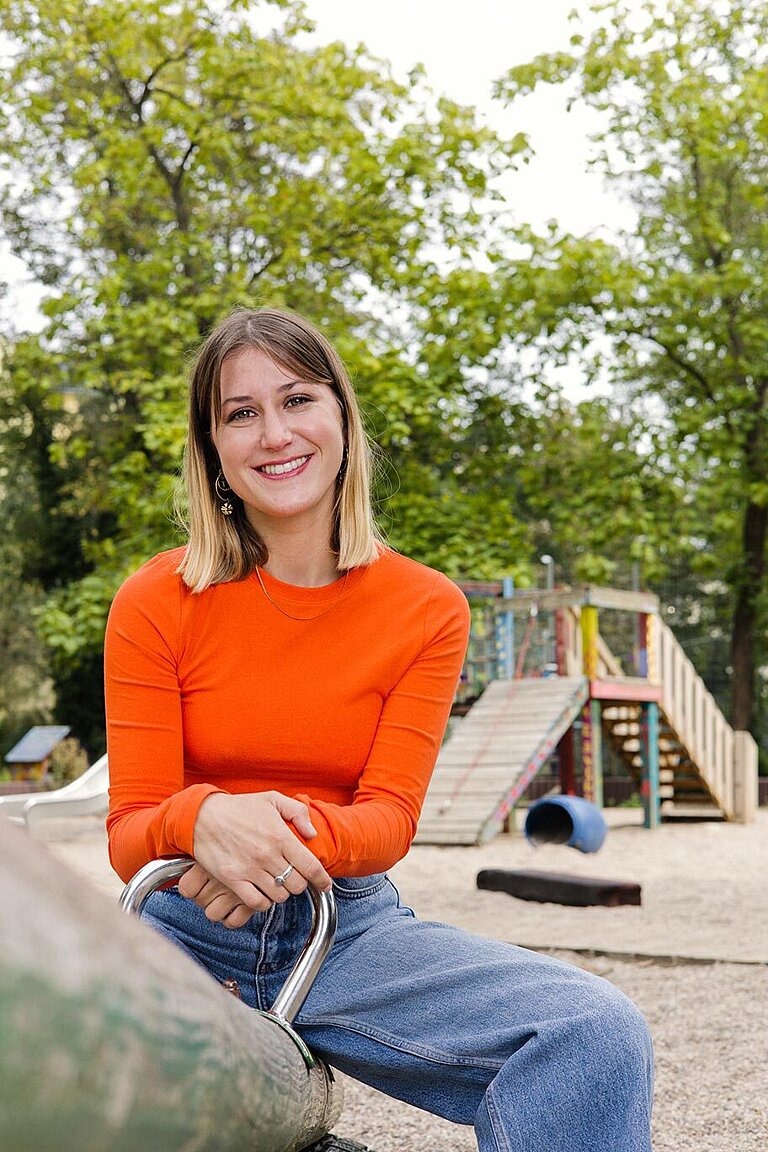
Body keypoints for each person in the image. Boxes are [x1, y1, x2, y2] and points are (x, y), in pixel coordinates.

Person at [105, 306, 654, 1151]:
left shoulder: (426, 607)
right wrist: (203, 819)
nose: (274, 434)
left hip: (343, 929)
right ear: (212, 449)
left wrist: (258, 843)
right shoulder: (155, 601)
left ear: (342, 419)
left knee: (593, 1034)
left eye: (297, 400)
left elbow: (389, 819)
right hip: (186, 927)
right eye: (241, 413)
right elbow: (131, 832)